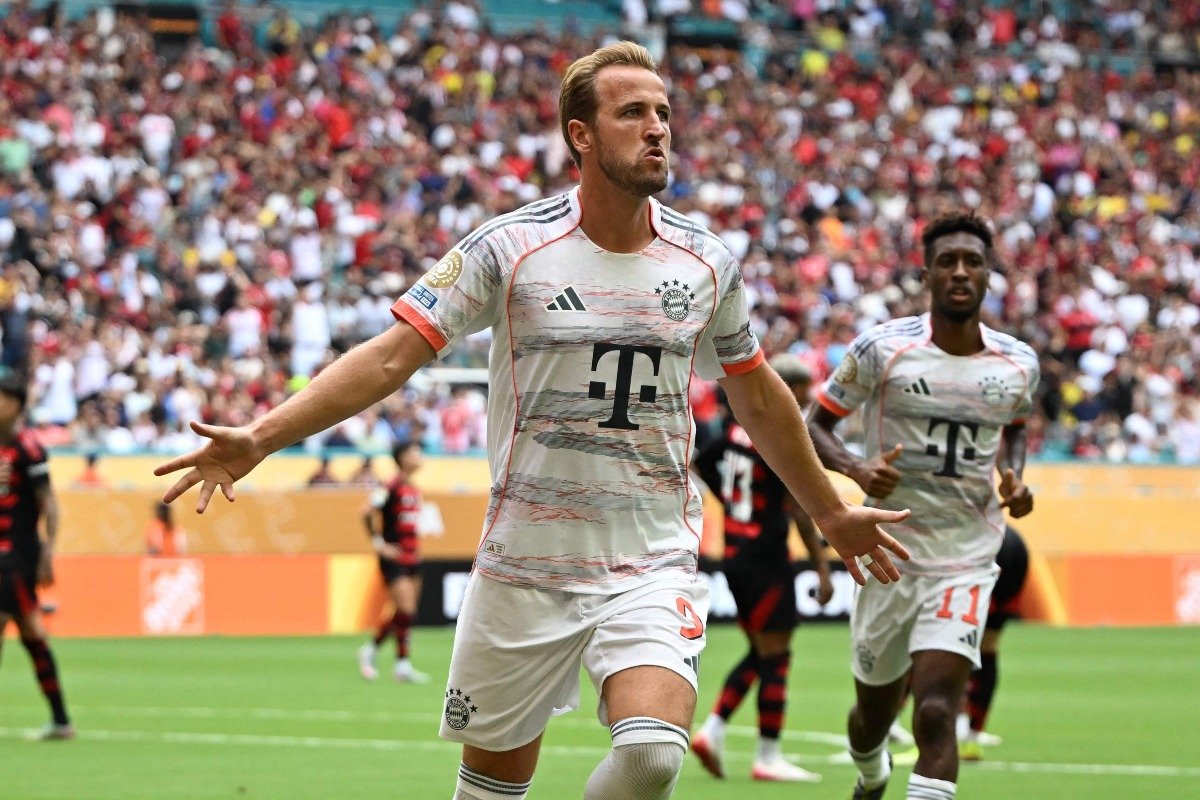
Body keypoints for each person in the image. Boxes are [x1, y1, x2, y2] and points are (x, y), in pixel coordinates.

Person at [155, 42, 909, 800]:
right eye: (633, 113)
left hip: (651, 558)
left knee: (651, 757)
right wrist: (260, 437)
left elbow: (757, 392)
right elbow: (389, 359)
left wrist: (827, 507)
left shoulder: (706, 260)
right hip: (525, 563)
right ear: (581, 135)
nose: (658, 129)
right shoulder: (510, 247)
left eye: (663, 113)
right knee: (490, 788)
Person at [808, 211, 1038, 800]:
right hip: (889, 553)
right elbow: (816, 426)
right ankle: (871, 772)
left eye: (973, 262)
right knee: (872, 719)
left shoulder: (1017, 364)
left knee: (936, 712)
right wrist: (857, 468)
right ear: (926, 275)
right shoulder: (883, 350)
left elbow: (1014, 427)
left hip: (965, 556)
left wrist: (1013, 476)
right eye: (947, 261)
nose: (961, 272)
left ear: (989, 275)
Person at [689, 354, 833, 783]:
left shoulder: (735, 432)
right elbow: (802, 511)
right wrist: (823, 569)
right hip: (767, 557)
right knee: (778, 656)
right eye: (803, 390)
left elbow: (698, 463)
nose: (809, 399)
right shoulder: (780, 437)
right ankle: (767, 756)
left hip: (736, 553)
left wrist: (732, 505)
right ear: (785, 390)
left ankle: (713, 731)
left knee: (761, 652)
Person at [0, 374, 74, 740]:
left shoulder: (28, 447)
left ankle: (62, 720)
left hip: (15, 554)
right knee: (28, 632)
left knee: (31, 629)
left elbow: (50, 504)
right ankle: (61, 719)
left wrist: (48, 551)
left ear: (15, 404)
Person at [358, 440, 428, 683]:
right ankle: (385, 656)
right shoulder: (391, 486)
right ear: (402, 457)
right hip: (395, 557)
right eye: (415, 451)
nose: (420, 455)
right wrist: (379, 544)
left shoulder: (413, 488)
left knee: (405, 613)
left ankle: (395, 662)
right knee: (406, 610)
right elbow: (366, 511)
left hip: (412, 556)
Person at [958, 524, 1029, 761]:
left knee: (948, 643)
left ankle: (952, 724)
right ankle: (973, 731)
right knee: (988, 645)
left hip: (979, 547)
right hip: (1013, 546)